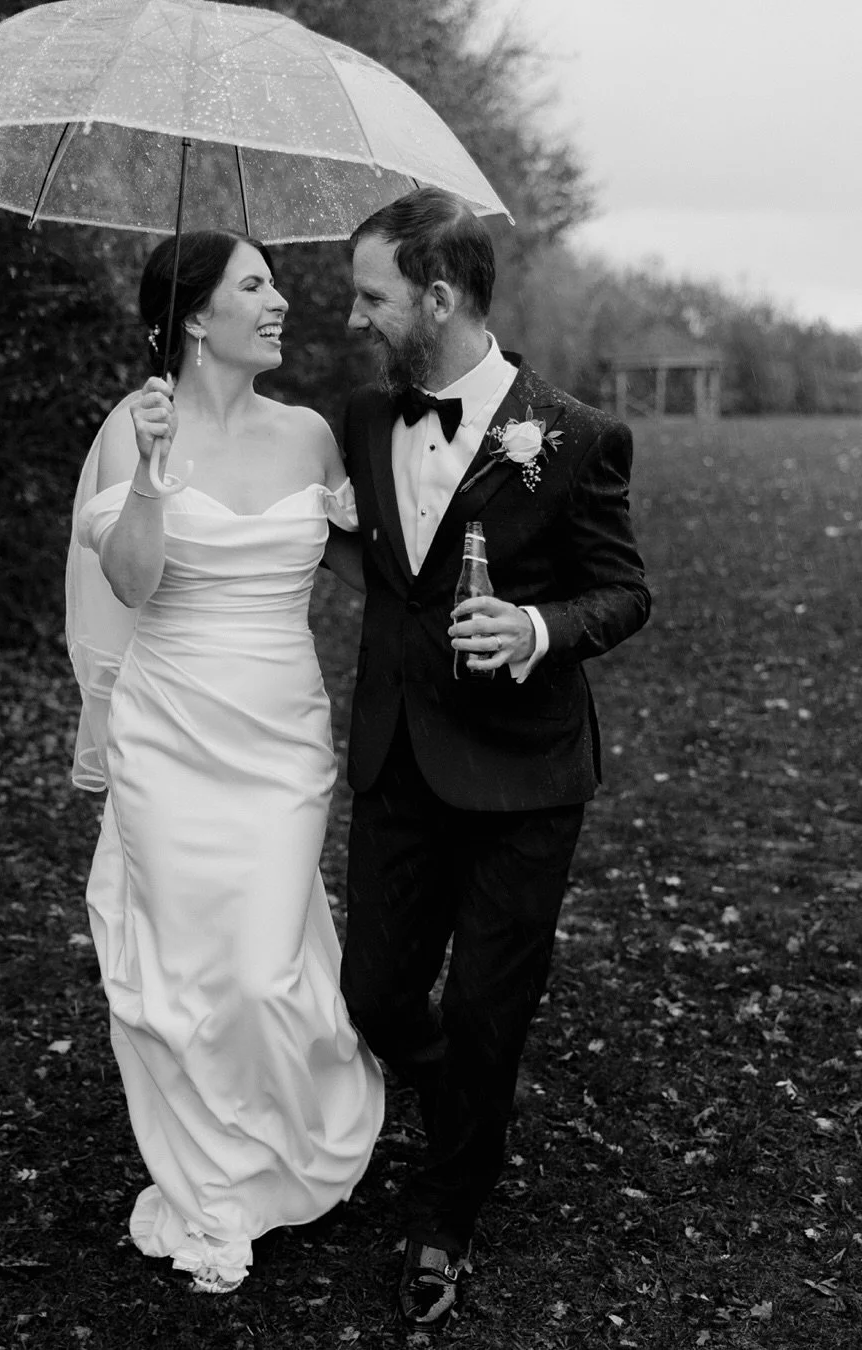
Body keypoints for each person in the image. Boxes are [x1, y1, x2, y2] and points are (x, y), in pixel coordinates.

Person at [337, 187, 651, 1330]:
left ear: (440, 296)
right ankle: (451, 1092)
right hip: (398, 763)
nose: (358, 317)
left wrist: (536, 631)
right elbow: (367, 554)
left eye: (374, 296)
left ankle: (448, 1212)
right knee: (372, 992)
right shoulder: (366, 423)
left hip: (525, 776)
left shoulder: (571, 435)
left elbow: (625, 590)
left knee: (487, 1007)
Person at [65, 230, 384, 1296]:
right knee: (177, 973)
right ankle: (208, 1187)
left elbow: (370, 572)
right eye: (257, 284)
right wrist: (153, 478)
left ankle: (294, 1136)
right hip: (169, 731)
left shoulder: (308, 436)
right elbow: (132, 581)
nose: (283, 300)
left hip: (280, 734)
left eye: (276, 282)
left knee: (259, 969)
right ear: (196, 317)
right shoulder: (134, 425)